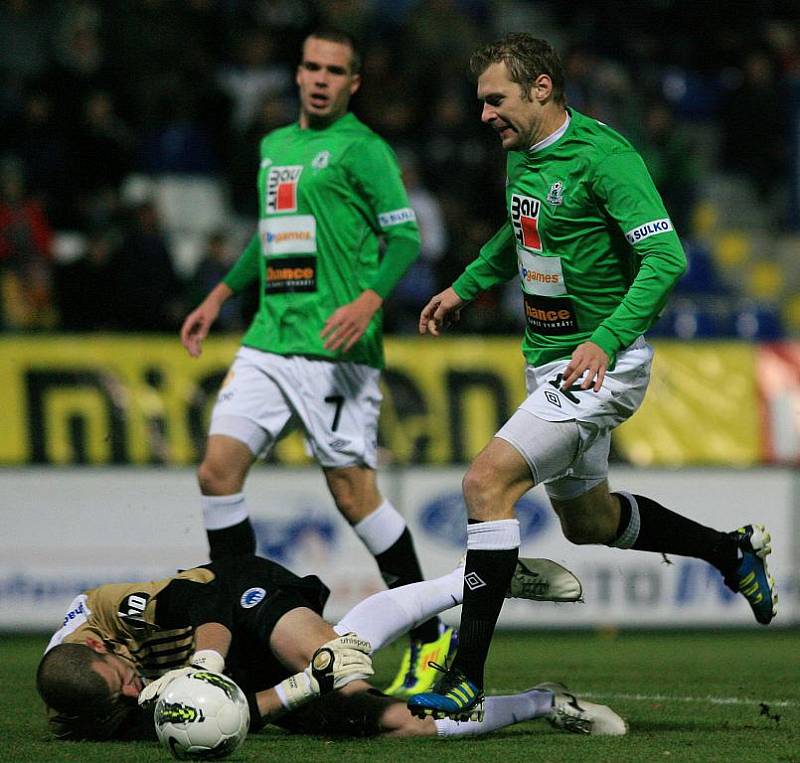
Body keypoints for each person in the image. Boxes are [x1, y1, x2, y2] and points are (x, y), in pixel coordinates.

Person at [407, 34, 777, 723]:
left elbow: (665, 258)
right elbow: (518, 233)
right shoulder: (522, 155)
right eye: (482, 101)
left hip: (602, 363)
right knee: (590, 522)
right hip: (547, 360)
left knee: (485, 485)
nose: (484, 114)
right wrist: (465, 285)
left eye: (496, 99)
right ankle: (729, 552)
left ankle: (463, 674)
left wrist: (606, 340)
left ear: (541, 88)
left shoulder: (607, 159)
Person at [179, 28, 450, 698]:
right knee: (217, 471)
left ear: (353, 82)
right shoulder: (275, 147)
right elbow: (272, 239)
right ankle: (244, 624)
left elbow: (406, 235)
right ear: (297, 74)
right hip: (270, 339)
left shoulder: (365, 150)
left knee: (354, 494)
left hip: (336, 350)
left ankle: (430, 631)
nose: (321, 78)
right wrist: (219, 292)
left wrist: (367, 300)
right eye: (311, 66)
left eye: (335, 70)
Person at [35, 553, 627, 744]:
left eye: (125, 677)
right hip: (237, 680)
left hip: (241, 598)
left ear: (99, 647)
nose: (136, 690)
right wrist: (295, 689)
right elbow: (227, 720)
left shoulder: (107, 610)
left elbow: (206, 601)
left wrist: (204, 668)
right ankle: (545, 702)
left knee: (342, 668)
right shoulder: (100, 710)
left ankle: (473, 578)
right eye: (126, 696)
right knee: (399, 723)